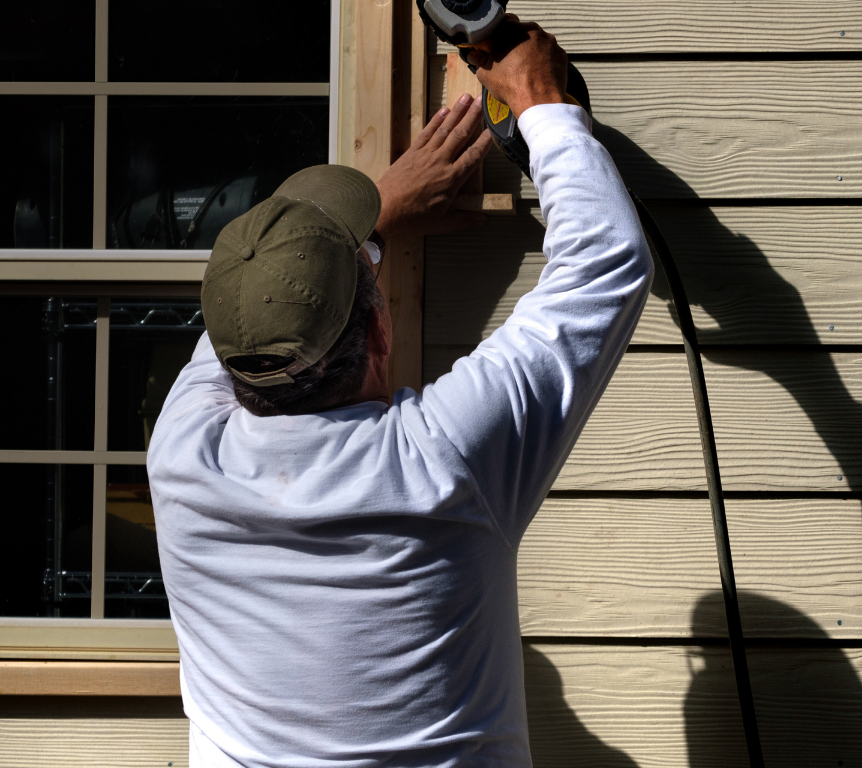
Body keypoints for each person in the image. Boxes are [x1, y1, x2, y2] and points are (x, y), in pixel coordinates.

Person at [147, 19, 652, 767]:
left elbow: (256, 319)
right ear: (381, 334)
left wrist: (376, 215)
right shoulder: (441, 461)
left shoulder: (180, 449)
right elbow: (605, 261)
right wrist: (541, 101)